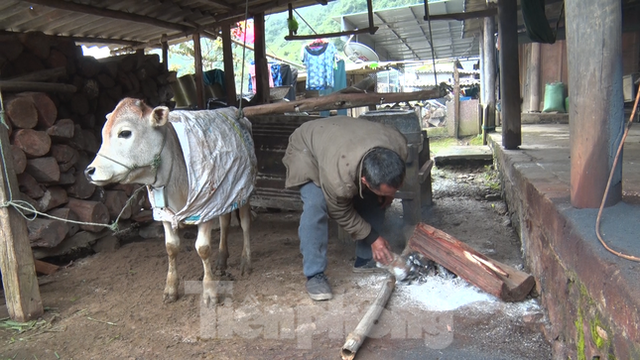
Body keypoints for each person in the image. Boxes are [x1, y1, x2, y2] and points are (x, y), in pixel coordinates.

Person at [282, 116, 407, 301]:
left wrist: (389, 193)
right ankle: (314, 275)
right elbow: (340, 211)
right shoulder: (338, 181)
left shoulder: (398, 146)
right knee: (316, 205)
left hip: (344, 139)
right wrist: (373, 238)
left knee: (376, 199)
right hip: (308, 149)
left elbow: (389, 180)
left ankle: (365, 259)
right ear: (364, 181)